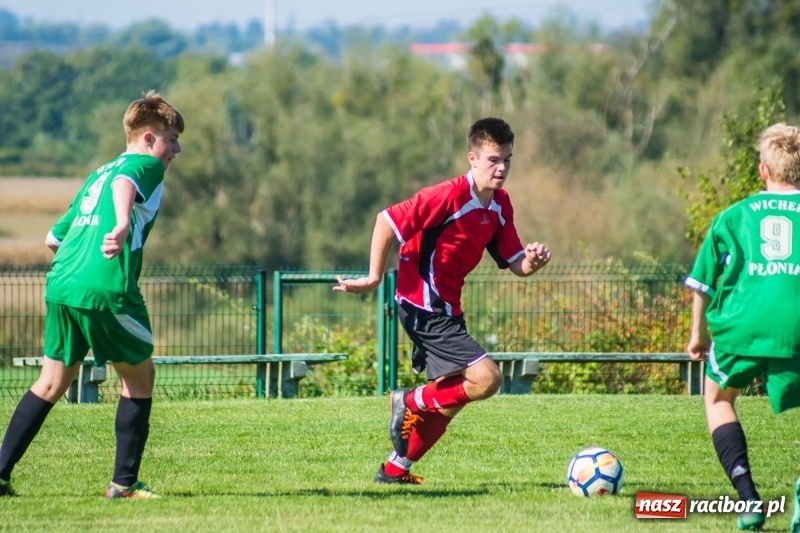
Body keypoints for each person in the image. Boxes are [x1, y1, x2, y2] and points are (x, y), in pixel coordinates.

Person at [334, 117, 551, 484]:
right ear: (472, 158)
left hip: (447, 309)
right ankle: (410, 401)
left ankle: (394, 470)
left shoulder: (500, 205)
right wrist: (373, 277)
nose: (501, 168)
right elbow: (386, 220)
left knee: (451, 400)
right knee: (488, 379)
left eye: (507, 160)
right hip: (422, 306)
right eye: (493, 160)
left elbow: (517, 264)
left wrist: (534, 260)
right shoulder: (447, 196)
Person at [0, 90, 184, 499]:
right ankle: (124, 484)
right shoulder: (144, 164)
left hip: (62, 284)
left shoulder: (98, 174)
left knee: (50, 383)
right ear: (148, 138)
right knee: (140, 378)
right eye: (171, 139)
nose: (176, 149)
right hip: (106, 289)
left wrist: (84, 259)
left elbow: (53, 238)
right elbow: (125, 184)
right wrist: (121, 224)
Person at [685, 122, 800, 532]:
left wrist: (698, 335)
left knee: (718, 398)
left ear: (763, 170)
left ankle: (750, 500)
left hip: (743, 326)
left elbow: (702, 283)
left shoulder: (733, 217)